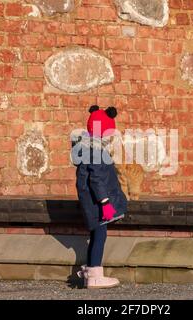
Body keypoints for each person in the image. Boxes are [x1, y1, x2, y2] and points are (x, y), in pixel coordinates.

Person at [71, 105, 128, 289]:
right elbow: (96, 179)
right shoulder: (95, 150)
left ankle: (91, 271)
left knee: (96, 234)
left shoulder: (86, 147)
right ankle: (95, 274)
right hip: (97, 203)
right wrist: (105, 203)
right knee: (100, 235)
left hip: (91, 202)